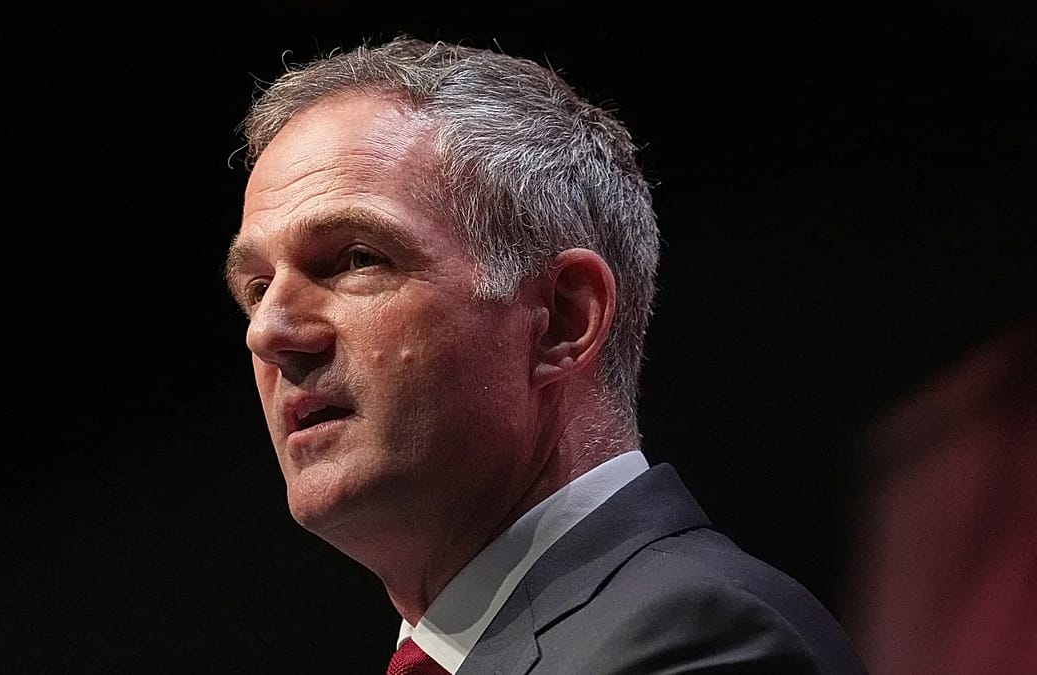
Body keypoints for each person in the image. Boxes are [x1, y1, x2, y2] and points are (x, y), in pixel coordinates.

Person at [226, 36, 866, 674]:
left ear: (562, 320)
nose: (269, 332)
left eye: (355, 260)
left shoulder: (698, 639)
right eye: (256, 290)